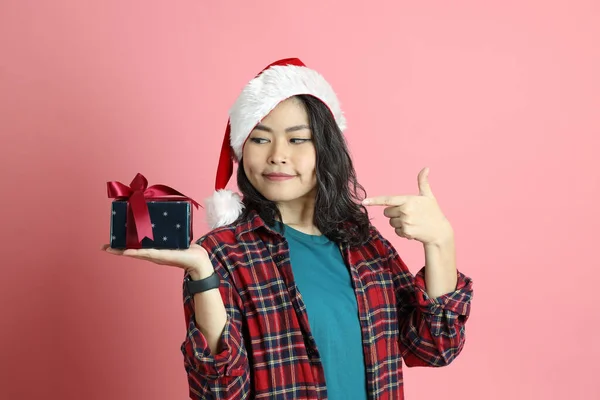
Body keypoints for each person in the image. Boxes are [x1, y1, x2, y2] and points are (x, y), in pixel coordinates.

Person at [103, 57, 473, 400]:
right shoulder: (220, 254)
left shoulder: (365, 244)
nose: (277, 154)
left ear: (326, 149)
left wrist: (440, 241)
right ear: (241, 151)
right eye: (260, 138)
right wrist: (202, 275)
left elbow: (433, 347)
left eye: (297, 139)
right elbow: (219, 392)